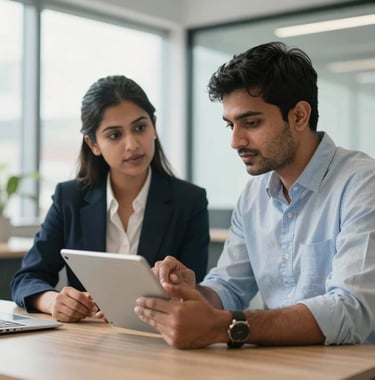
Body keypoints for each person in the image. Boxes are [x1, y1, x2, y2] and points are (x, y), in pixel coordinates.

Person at [134, 41, 375, 349]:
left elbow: (350, 311)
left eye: (251, 122)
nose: (236, 141)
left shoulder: (363, 183)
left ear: (299, 116)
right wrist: (193, 294)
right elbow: (229, 286)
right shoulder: (253, 196)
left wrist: (227, 326)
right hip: (279, 364)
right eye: (230, 125)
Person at [11, 75, 209, 322]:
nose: (132, 144)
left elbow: (196, 289)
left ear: (154, 126)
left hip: (158, 339)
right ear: (93, 144)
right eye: (115, 135)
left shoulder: (190, 201)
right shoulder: (70, 198)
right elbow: (27, 278)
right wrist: (53, 301)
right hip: (88, 342)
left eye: (140, 127)